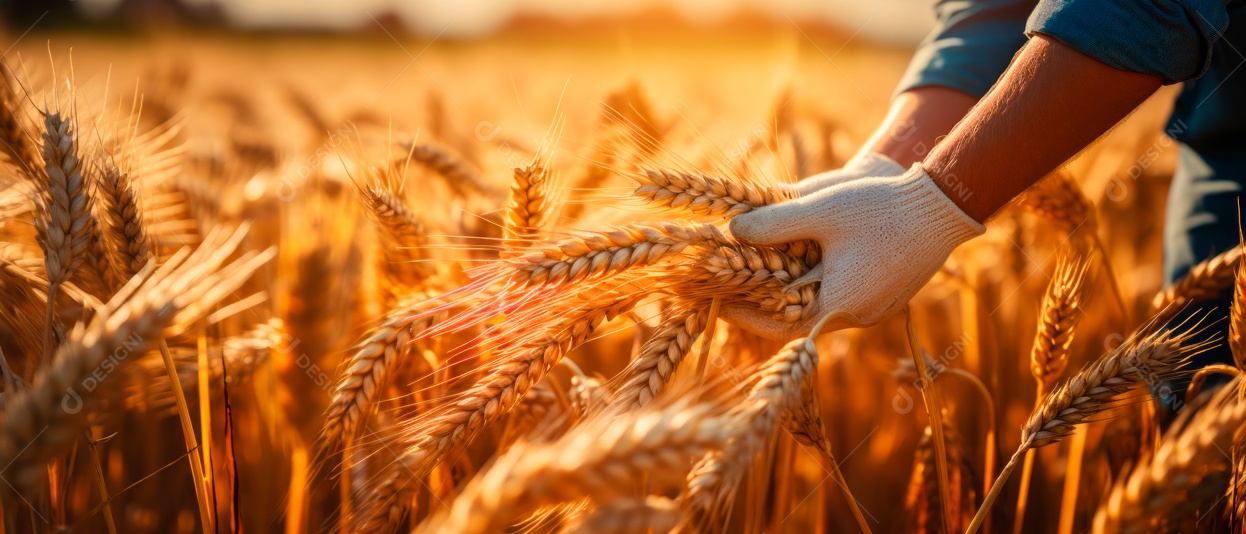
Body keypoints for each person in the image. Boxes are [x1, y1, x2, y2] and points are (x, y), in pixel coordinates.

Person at [723, 0, 1246, 368]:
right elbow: (997, 6)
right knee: (1199, 405)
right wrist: (886, 166)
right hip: (1222, 140)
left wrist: (928, 205)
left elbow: (1146, 8)